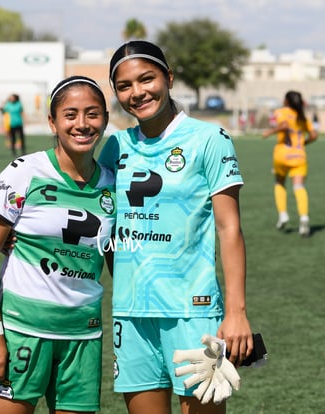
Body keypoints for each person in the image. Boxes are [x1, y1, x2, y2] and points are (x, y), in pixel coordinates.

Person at [98, 40, 253, 414]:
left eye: (146, 79)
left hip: (194, 311)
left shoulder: (208, 139)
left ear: (168, 78)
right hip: (132, 313)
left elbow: (229, 227)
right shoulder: (114, 147)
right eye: (124, 86)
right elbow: (100, 224)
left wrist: (236, 312)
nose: (137, 93)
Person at [0, 75, 116, 414]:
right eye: (71, 114)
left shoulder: (113, 183)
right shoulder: (23, 172)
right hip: (22, 330)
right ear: (53, 121)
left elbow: (117, 262)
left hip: (83, 334)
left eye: (92, 114)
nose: (82, 124)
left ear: (105, 119)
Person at [262, 90, 318, 236]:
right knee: (299, 187)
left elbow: (285, 125)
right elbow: (314, 135)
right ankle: (304, 218)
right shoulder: (302, 117)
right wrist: (304, 143)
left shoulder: (282, 111)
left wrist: (269, 132)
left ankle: (283, 214)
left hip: (282, 155)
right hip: (299, 155)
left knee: (279, 183)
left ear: (286, 101)